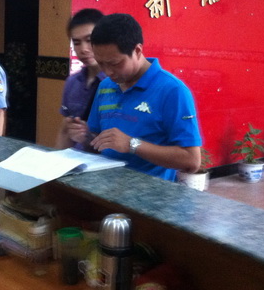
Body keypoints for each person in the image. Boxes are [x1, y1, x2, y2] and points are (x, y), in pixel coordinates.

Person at [66, 13, 202, 181]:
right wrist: (85, 137)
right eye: (101, 63)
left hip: (149, 193)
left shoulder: (172, 91)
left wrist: (132, 144)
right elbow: (98, 144)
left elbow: (192, 161)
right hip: (105, 187)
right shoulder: (106, 86)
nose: (107, 72)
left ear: (137, 51)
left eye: (115, 63)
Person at [55, 8, 106, 149]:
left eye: (89, 40)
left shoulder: (119, 83)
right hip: (75, 158)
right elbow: (65, 130)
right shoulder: (72, 82)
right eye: (77, 43)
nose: (83, 49)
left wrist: (89, 137)